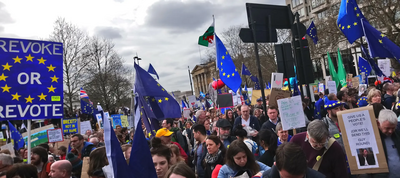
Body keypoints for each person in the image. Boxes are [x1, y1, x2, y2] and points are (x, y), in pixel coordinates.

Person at [374, 109, 400, 177]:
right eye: (387, 128)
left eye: (393, 128)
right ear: (378, 124)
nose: (390, 131)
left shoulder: (398, 135)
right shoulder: (373, 139)